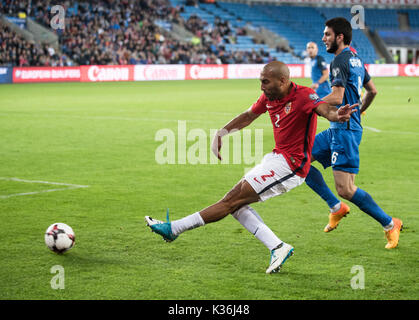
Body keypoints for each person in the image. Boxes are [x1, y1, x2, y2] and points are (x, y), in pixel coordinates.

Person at [145, 61, 356, 273]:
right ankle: (278, 247)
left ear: (282, 81)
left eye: (265, 82)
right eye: (260, 81)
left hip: (291, 166)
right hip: (276, 158)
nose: (262, 87)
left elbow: (325, 109)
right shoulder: (269, 97)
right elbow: (248, 116)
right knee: (236, 205)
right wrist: (222, 133)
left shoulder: (304, 95)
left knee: (230, 201)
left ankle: (174, 229)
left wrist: (337, 115)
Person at [304, 17, 403, 249]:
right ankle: (335, 207)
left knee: (346, 189)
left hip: (345, 132)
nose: (323, 38)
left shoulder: (339, 60)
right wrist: (359, 111)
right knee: (300, 159)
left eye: (327, 34)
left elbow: (337, 98)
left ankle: (390, 224)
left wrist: (309, 104)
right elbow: (372, 91)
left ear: (340, 37)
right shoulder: (356, 59)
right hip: (337, 129)